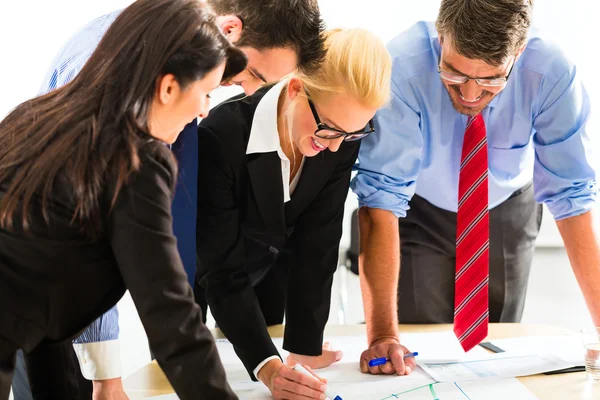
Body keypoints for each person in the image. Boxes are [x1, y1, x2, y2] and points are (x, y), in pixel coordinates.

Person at [12, 0, 325, 398]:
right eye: (252, 75)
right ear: (229, 31)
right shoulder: (118, 111)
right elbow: (82, 245)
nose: (209, 109)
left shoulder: (157, 78)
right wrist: (106, 379)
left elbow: (163, 295)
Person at [351, 0, 599, 377]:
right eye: (453, 73)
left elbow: (572, 199)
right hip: (417, 208)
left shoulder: (551, 72)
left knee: (498, 347)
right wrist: (381, 335)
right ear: (440, 34)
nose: (468, 94)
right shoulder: (400, 66)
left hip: (506, 204)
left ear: (518, 51)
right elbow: (381, 198)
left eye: (489, 80)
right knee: (418, 345)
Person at [195, 28, 392, 399]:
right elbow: (220, 269)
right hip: (200, 271)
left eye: (351, 135)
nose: (334, 148)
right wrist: (266, 367)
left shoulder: (340, 136)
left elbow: (318, 242)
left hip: (270, 265)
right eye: (329, 129)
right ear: (296, 88)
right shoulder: (219, 138)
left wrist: (304, 346)